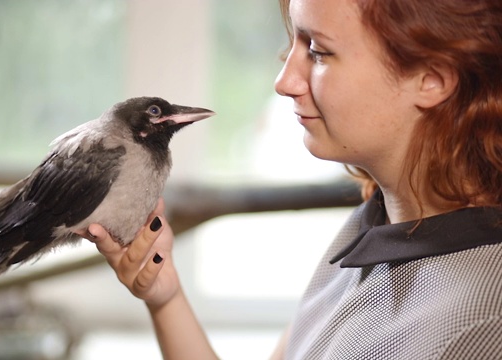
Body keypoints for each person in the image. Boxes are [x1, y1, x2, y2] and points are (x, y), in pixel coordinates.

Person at [79, 0, 502, 358]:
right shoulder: (372, 225)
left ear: (431, 79)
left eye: (318, 51)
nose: (283, 82)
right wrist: (165, 299)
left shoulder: (480, 326)